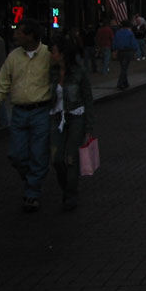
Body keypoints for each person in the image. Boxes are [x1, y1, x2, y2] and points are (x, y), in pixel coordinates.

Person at [0, 19, 52, 212]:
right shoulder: (13, 57)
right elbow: (3, 81)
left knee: (39, 154)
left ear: (31, 36)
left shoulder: (48, 55)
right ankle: (32, 179)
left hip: (41, 111)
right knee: (16, 155)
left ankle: (32, 193)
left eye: (19, 32)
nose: (15, 35)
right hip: (19, 112)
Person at [48, 37, 95, 211]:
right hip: (56, 117)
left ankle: (70, 194)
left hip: (76, 116)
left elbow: (88, 98)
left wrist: (89, 127)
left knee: (71, 158)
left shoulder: (79, 72)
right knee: (57, 159)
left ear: (62, 54)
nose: (51, 55)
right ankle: (67, 188)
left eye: (54, 51)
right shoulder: (51, 72)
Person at [112, 20, 138, 90]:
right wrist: (136, 50)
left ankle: (126, 83)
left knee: (123, 67)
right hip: (128, 52)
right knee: (124, 68)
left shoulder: (118, 33)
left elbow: (114, 42)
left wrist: (114, 50)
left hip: (120, 52)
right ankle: (120, 83)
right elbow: (134, 43)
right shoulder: (130, 33)